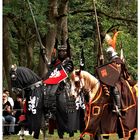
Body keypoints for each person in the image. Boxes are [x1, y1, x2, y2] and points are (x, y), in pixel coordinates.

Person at [43, 39, 75, 139]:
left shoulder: (68, 61)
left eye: (63, 51)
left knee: (67, 108)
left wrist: (58, 71)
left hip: (64, 84)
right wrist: (43, 55)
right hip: (54, 84)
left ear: (66, 52)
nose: (61, 53)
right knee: (47, 94)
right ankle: (50, 113)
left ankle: (71, 128)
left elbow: (66, 72)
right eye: (60, 51)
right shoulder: (55, 61)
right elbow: (49, 67)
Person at [106, 46, 136, 116]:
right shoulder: (112, 61)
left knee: (115, 89)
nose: (107, 55)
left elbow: (117, 73)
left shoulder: (117, 61)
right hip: (112, 79)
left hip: (119, 80)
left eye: (108, 54)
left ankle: (118, 107)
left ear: (111, 53)